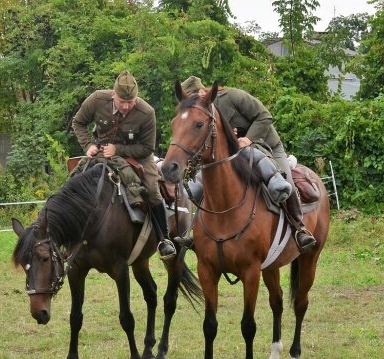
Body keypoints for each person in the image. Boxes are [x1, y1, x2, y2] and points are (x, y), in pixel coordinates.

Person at [180, 76, 317, 253]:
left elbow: (265, 116)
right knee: (209, 183)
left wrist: (248, 137)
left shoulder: (233, 96)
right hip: (233, 152)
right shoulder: (201, 112)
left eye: (193, 99)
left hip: (267, 145)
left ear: (201, 92)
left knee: (285, 180)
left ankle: (299, 228)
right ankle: (196, 230)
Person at [72, 70, 176, 260]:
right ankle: (66, 234)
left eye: (131, 102)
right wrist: (88, 145)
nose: (127, 106)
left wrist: (118, 149)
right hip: (101, 153)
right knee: (73, 180)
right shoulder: (96, 100)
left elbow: (147, 148)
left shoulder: (147, 112)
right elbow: (78, 123)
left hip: (138, 157)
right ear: (113, 95)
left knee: (152, 189)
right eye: (123, 102)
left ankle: (164, 239)